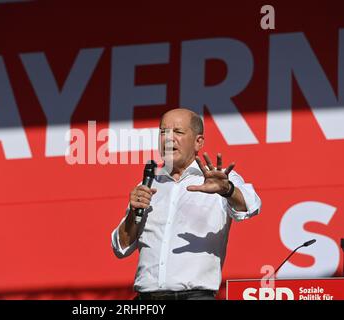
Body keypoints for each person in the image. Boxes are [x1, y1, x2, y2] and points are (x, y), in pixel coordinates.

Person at [111, 108, 262, 300]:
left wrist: (228, 190)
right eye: (163, 132)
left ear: (198, 141)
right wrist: (134, 212)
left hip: (195, 296)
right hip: (146, 298)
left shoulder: (217, 178)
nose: (168, 138)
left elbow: (250, 206)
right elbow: (121, 247)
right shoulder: (147, 184)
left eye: (178, 132)